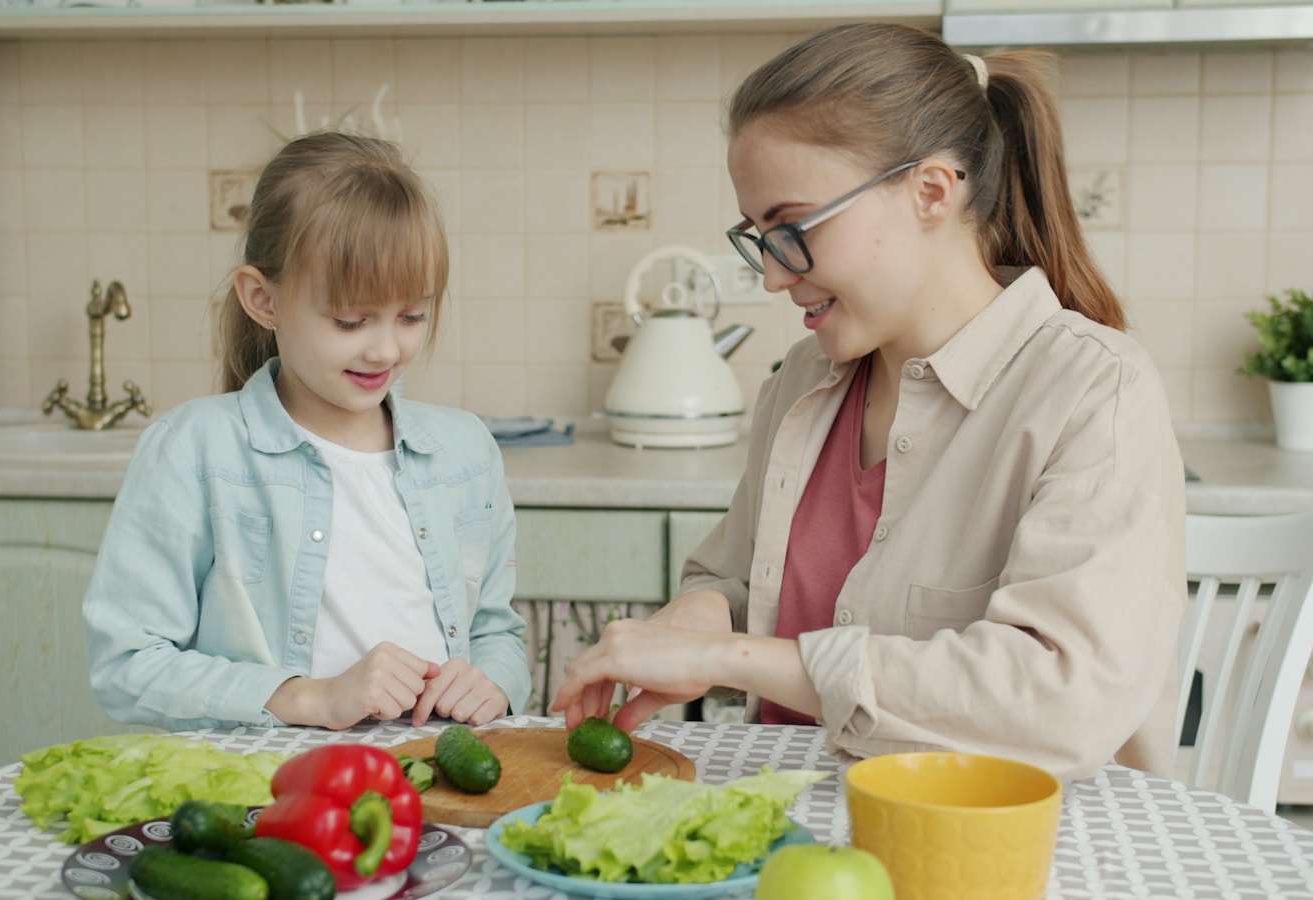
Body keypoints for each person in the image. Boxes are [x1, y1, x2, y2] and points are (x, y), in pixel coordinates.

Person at [552, 23, 1185, 781]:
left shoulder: (1092, 390)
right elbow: (735, 577)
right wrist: (703, 613)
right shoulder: (801, 380)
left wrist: (729, 655)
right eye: (759, 237)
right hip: (789, 828)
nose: (773, 278)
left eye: (793, 228)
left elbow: (1057, 701)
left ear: (930, 192)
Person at [84, 131, 530, 733]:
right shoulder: (195, 450)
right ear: (263, 299)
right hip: (269, 796)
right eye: (350, 320)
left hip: (436, 783)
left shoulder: (465, 452)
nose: (385, 348)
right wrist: (305, 698)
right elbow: (128, 663)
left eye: (412, 315)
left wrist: (494, 684)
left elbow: (495, 631)